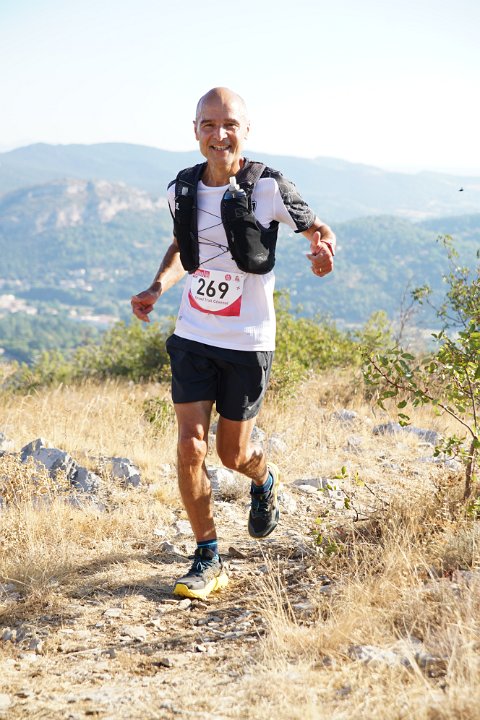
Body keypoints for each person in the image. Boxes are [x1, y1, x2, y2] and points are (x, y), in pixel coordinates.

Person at [131, 87, 335, 600]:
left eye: (229, 124)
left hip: (247, 341)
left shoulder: (268, 187)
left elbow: (318, 230)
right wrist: (157, 287)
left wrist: (322, 252)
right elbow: (183, 247)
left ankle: (263, 480)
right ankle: (208, 557)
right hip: (194, 334)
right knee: (189, 445)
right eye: (208, 124)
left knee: (232, 454)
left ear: (246, 130)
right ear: (195, 130)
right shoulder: (181, 189)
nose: (218, 134)